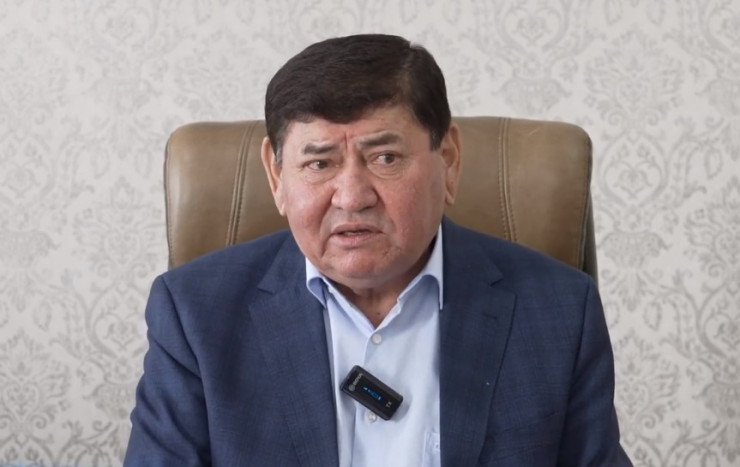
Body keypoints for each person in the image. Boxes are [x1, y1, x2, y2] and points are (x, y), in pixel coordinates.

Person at [124, 34, 632, 466]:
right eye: (319, 163)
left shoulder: (559, 311)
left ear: (449, 159)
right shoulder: (195, 315)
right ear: (276, 176)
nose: (351, 197)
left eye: (385, 157)